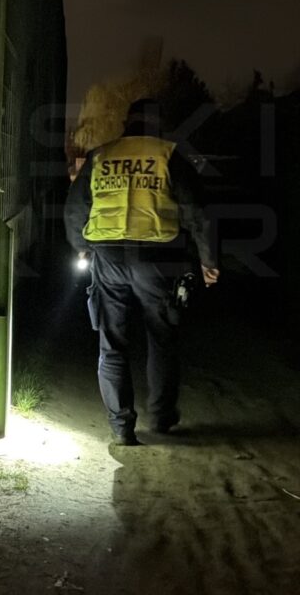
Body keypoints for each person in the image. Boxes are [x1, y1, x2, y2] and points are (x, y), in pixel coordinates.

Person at [64, 98, 218, 446]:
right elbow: (197, 213)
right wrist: (208, 261)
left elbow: (75, 209)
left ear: (127, 123)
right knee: (162, 338)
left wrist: (81, 246)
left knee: (112, 343)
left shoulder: (102, 156)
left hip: (107, 256)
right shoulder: (168, 156)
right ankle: (161, 418)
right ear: (158, 124)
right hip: (157, 259)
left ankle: (121, 427)